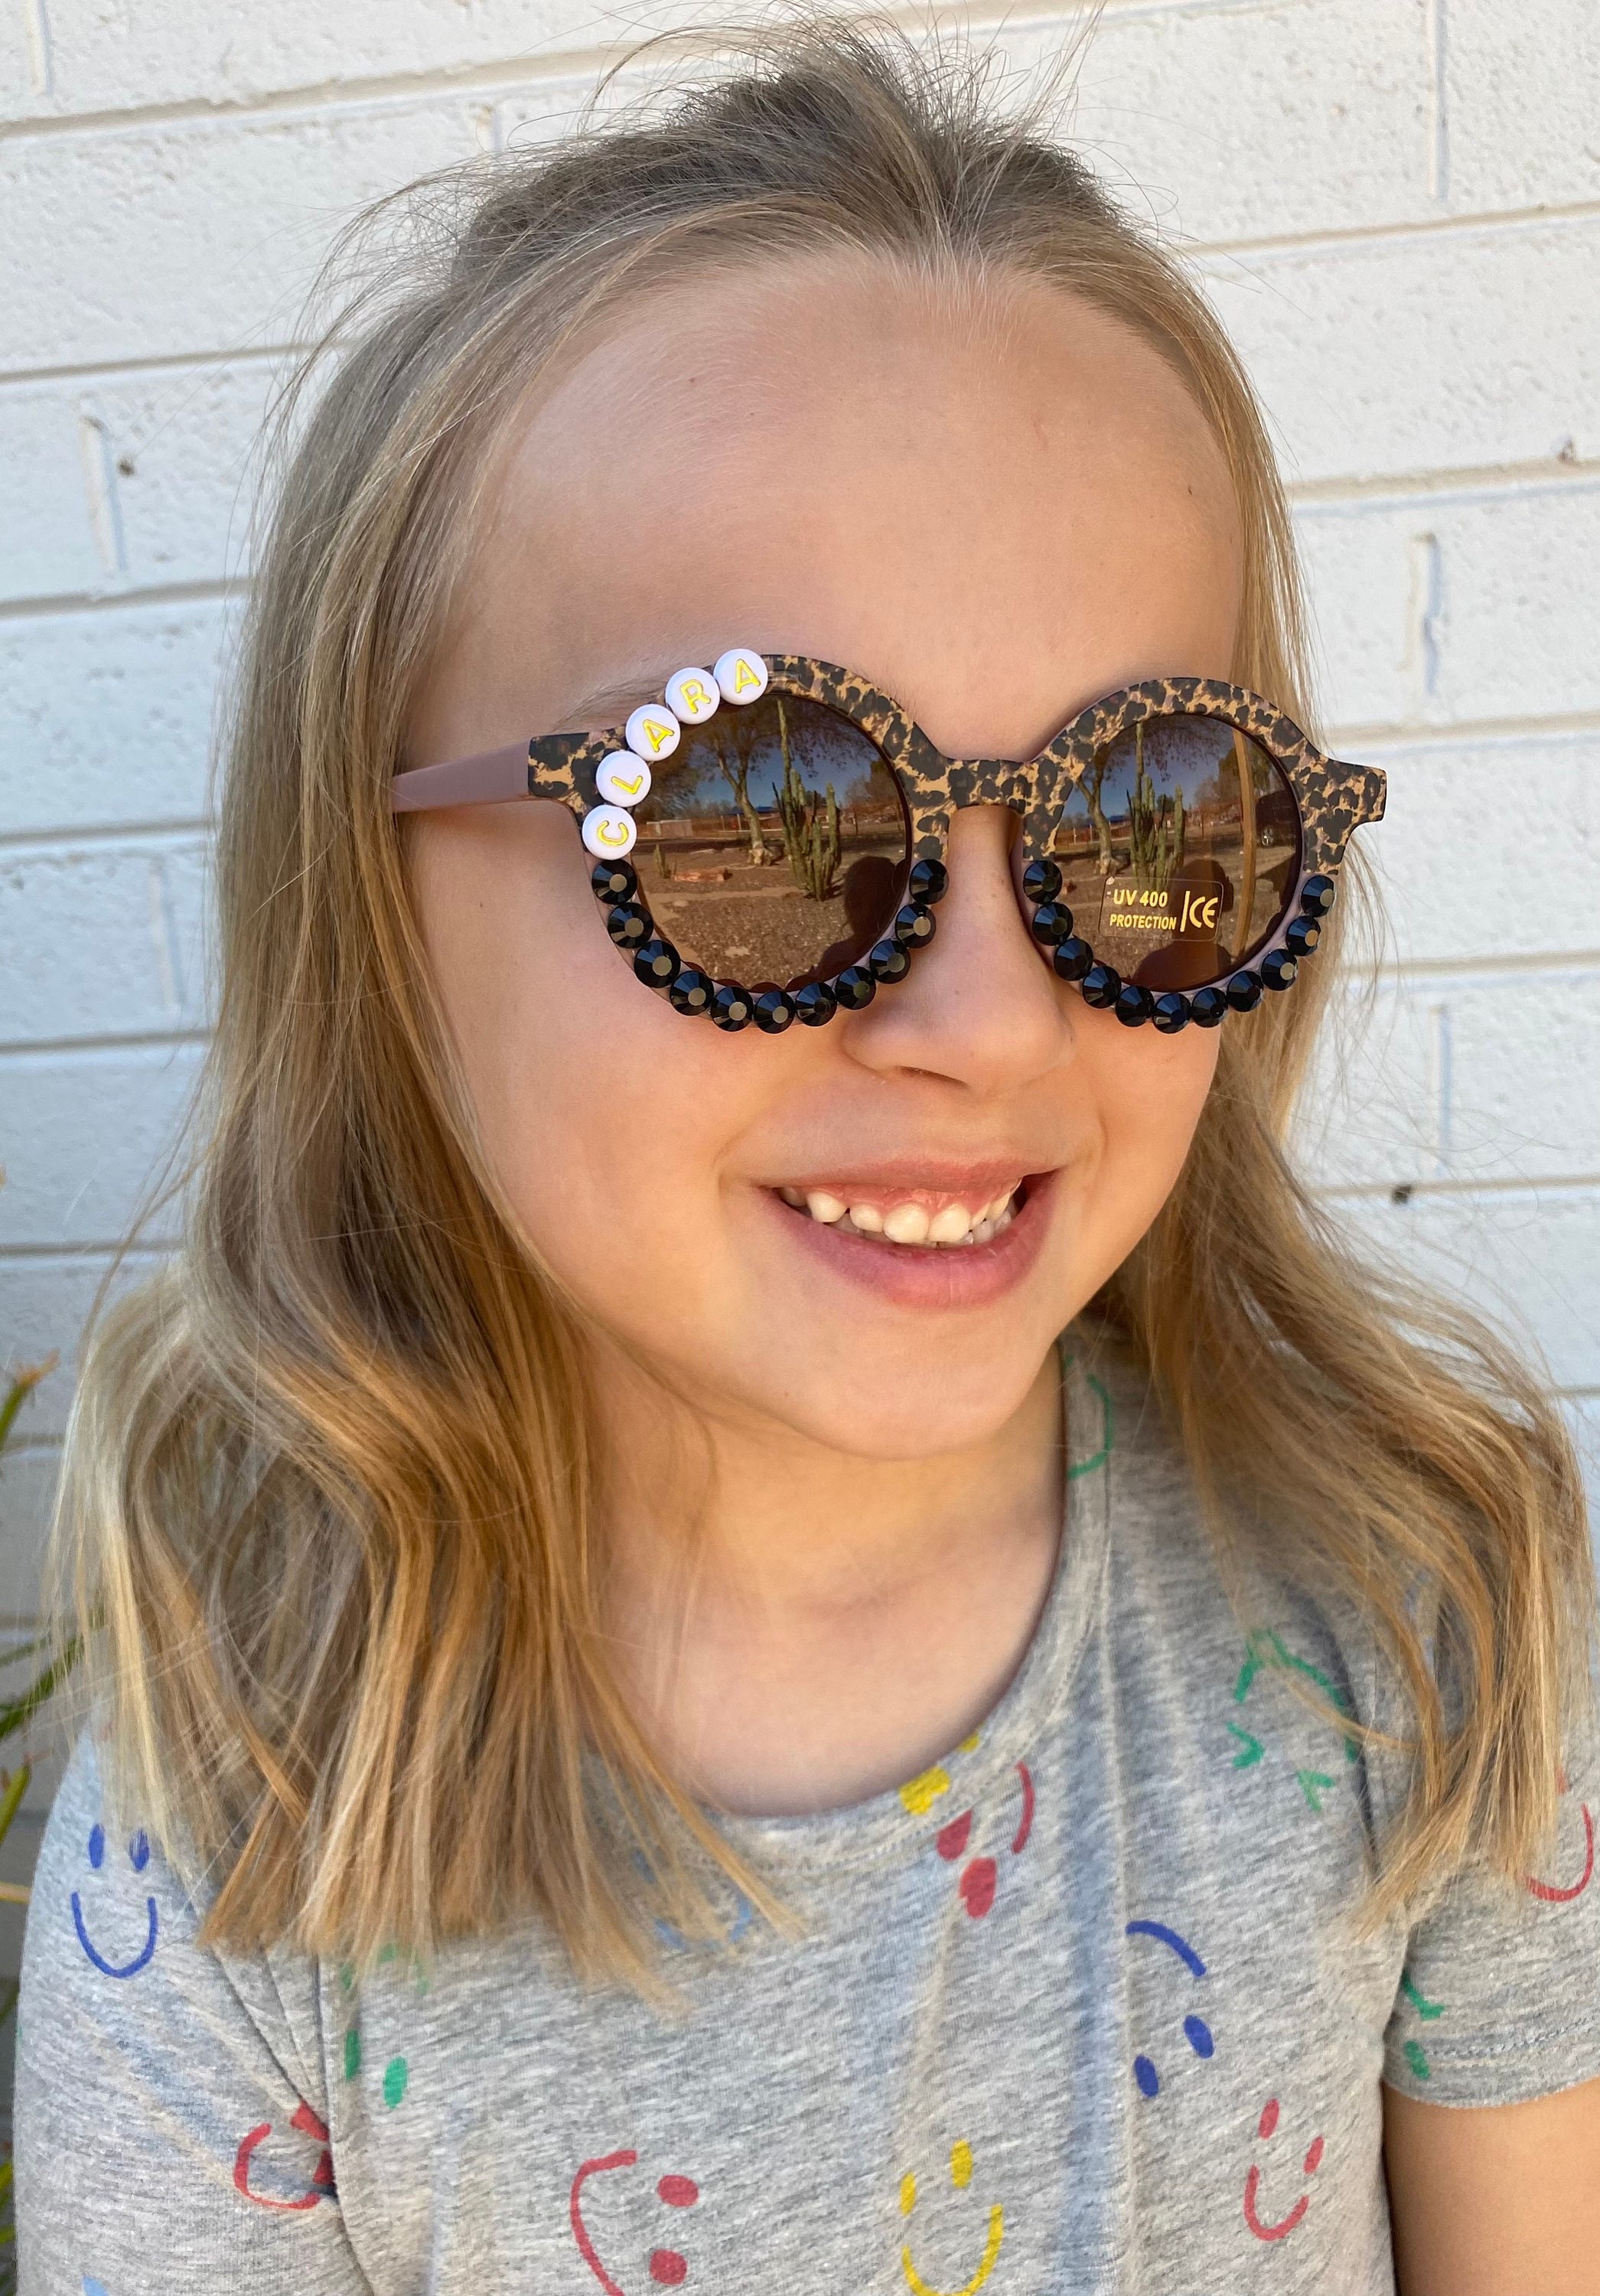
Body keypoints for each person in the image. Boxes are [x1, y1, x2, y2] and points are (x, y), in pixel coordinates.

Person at [18, 24, 1600, 2295]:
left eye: (1152, 819)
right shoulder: (240, 1840)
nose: (987, 1021)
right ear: (376, 899)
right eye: (754, 822)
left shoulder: (1417, 1606)